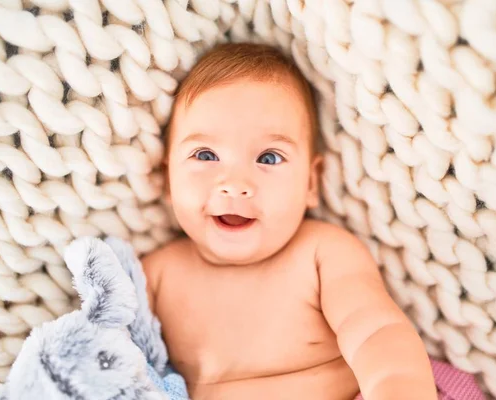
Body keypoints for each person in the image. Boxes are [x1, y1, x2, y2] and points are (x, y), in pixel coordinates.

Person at [142, 42, 437, 400]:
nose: (235, 184)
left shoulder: (321, 254)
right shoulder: (154, 275)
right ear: (168, 178)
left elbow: (376, 332)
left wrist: (398, 389)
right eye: (206, 155)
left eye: (268, 158)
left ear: (310, 183)